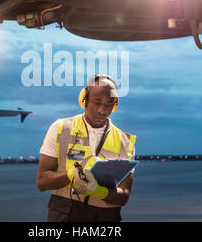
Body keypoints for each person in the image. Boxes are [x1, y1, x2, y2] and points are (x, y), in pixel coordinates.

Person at [36, 74, 136, 222]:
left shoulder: (125, 142)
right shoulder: (60, 128)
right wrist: (70, 175)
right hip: (65, 215)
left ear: (115, 104)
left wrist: (99, 191)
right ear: (84, 99)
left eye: (109, 104)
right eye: (97, 102)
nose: (102, 110)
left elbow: (124, 195)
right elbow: (42, 182)